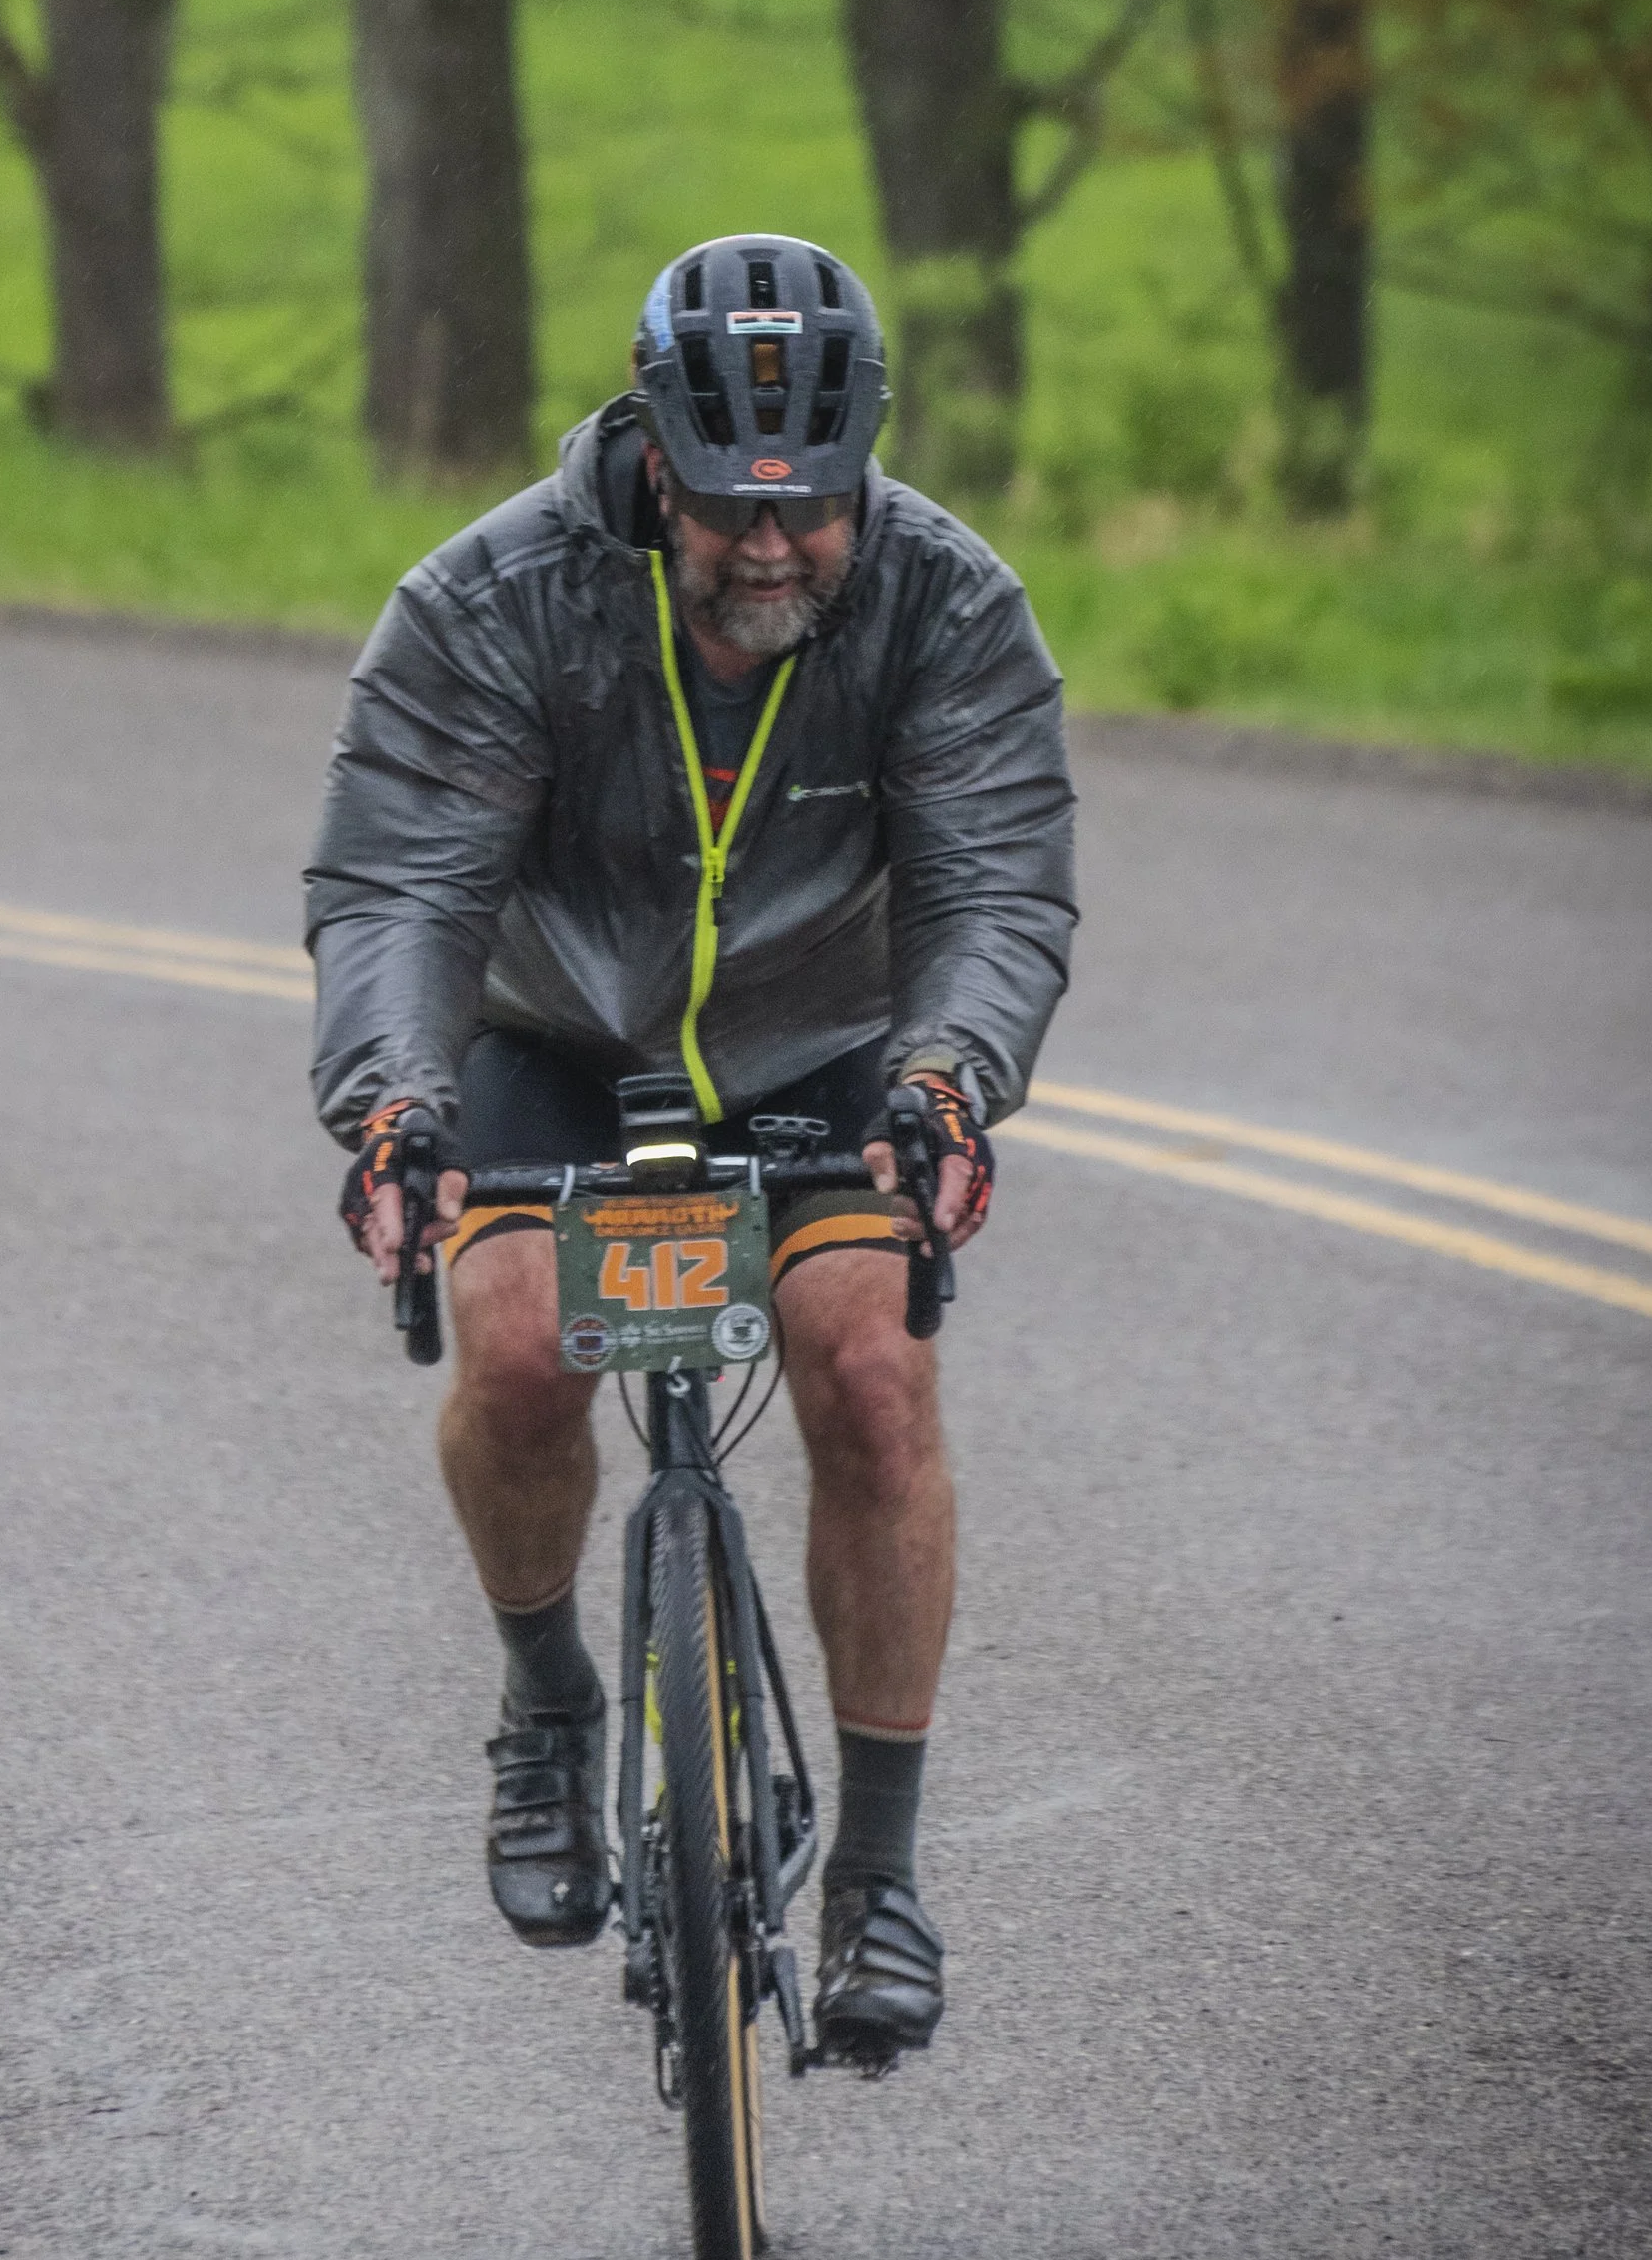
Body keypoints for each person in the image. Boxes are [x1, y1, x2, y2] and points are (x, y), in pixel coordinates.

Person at [307, 233, 1075, 2065]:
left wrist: (952, 1075)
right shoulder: (491, 600)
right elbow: (403, 887)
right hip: (550, 1033)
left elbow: (995, 884)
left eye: (813, 506)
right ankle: (549, 1700)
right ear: (659, 447)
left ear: (864, 460)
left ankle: (876, 1870)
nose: (773, 545)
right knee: (510, 1346)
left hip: (826, 1047)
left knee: (873, 1373)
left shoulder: (947, 602)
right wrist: (396, 1110)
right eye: (734, 500)